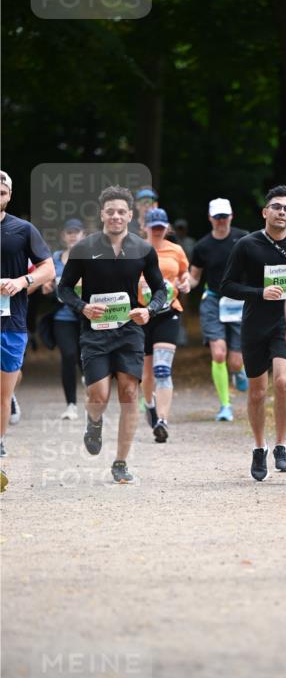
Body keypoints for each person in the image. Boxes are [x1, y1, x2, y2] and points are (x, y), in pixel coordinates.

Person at [57, 185, 167, 484]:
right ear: (102, 214)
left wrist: (150, 311)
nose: (116, 216)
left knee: (129, 393)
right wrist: (83, 307)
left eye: (122, 212)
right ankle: (94, 422)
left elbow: (160, 289)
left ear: (130, 215)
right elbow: (63, 288)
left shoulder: (143, 249)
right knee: (99, 394)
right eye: (111, 211)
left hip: (129, 328)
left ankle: (120, 462)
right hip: (95, 330)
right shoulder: (84, 248)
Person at [222, 185, 286, 481]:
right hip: (254, 325)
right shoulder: (247, 245)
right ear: (265, 212)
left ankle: (281, 445)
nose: (281, 212)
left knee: (282, 381)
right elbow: (227, 286)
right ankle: (259, 447)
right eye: (276, 207)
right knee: (258, 391)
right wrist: (260, 293)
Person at [0, 170, 55, 482]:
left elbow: (48, 269)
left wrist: (22, 282)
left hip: (11, 323)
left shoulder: (23, 230)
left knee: (2, 393)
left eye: (2, 193)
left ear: (9, 196)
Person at [189, 198, 249, 421]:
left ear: (231, 217)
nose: (221, 221)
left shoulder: (244, 238)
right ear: (210, 219)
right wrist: (183, 284)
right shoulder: (202, 246)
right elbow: (194, 277)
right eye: (217, 217)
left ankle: (239, 370)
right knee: (218, 353)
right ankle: (225, 406)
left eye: (225, 217)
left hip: (238, 300)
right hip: (213, 300)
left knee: (235, 360)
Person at [140, 207, 190, 442]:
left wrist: (185, 283)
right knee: (146, 374)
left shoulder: (176, 250)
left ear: (166, 228)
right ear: (145, 228)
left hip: (168, 312)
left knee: (162, 369)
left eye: (161, 228)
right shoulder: (132, 250)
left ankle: (162, 420)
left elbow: (184, 276)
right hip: (141, 316)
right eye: (153, 228)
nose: (157, 231)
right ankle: (149, 404)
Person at [43, 218, 86, 419]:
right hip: (63, 317)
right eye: (69, 232)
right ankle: (71, 405)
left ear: (83, 235)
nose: (72, 235)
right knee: (68, 355)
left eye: (76, 232)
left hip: (86, 316)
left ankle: (93, 393)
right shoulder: (55, 258)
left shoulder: (91, 258)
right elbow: (46, 284)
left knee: (85, 357)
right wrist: (47, 287)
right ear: (63, 236)